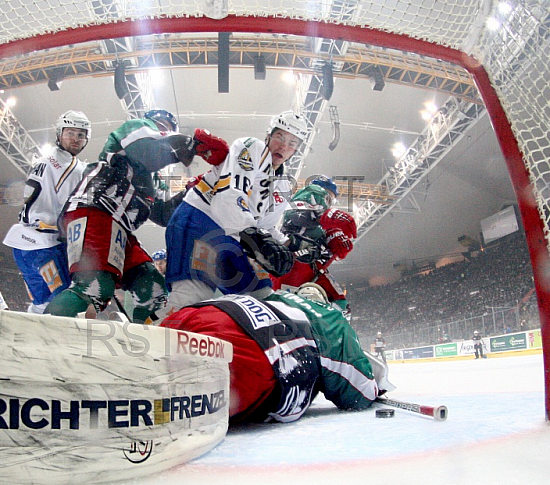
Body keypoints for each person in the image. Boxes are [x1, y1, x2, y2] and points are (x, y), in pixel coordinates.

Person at [45, 109, 228, 322]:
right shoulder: (133, 130)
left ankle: (145, 346)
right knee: (94, 286)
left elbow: (162, 214)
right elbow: (145, 150)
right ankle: (33, 339)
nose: (163, 132)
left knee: (152, 289)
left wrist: (196, 188)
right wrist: (189, 144)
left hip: (117, 227)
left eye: (168, 130)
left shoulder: (152, 179)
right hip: (95, 212)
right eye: (160, 127)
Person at [161, 282, 392, 423]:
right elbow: (357, 393)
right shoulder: (331, 317)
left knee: (152, 363)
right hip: (248, 349)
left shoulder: (273, 297)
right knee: (179, 401)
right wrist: (375, 388)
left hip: (199, 312)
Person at [164, 110, 309, 313]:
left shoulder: (284, 187)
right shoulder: (252, 147)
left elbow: (264, 226)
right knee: (190, 300)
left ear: (296, 151)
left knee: (262, 301)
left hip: (233, 237)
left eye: (292, 143)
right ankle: (142, 338)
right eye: (280, 137)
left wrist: (290, 244)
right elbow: (229, 196)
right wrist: (257, 239)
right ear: (268, 135)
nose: (284, 146)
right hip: (199, 222)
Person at [3, 110, 91, 313]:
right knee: (66, 302)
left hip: (23, 245)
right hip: (45, 246)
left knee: (41, 305)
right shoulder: (72, 166)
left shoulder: (47, 159)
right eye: (70, 133)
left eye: (80, 134)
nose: (75, 139)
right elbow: (73, 209)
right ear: (59, 133)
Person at [271, 175, 357, 317]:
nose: (328, 202)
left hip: (310, 268)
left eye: (331, 199)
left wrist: (335, 242)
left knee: (341, 308)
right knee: (285, 310)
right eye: (328, 197)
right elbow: (297, 215)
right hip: (292, 262)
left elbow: (326, 250)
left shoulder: (321, 226)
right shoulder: (310, 194)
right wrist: (326, 216)